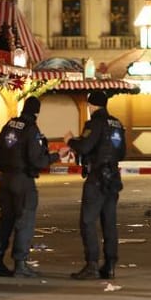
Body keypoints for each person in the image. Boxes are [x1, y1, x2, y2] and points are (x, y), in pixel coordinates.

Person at [0, 96, 67, 278]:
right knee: (24, 222)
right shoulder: (31, 130)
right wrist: (56, 156)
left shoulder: (9, 125)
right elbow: (37, 160)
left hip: (6, 179)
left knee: (5, 222)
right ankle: (20, 264)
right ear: (37, 112)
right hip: (23, 181)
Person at [63, 89, 126, 280]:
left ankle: (91, 264)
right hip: (113, 178)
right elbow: (122, 152)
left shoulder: (95, 123)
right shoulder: (117, 124)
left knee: (88, 221)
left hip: (97, 178)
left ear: (91, 105)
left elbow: (84, 146)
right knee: (109, 223)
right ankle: (110, 265)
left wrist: (70, 140)